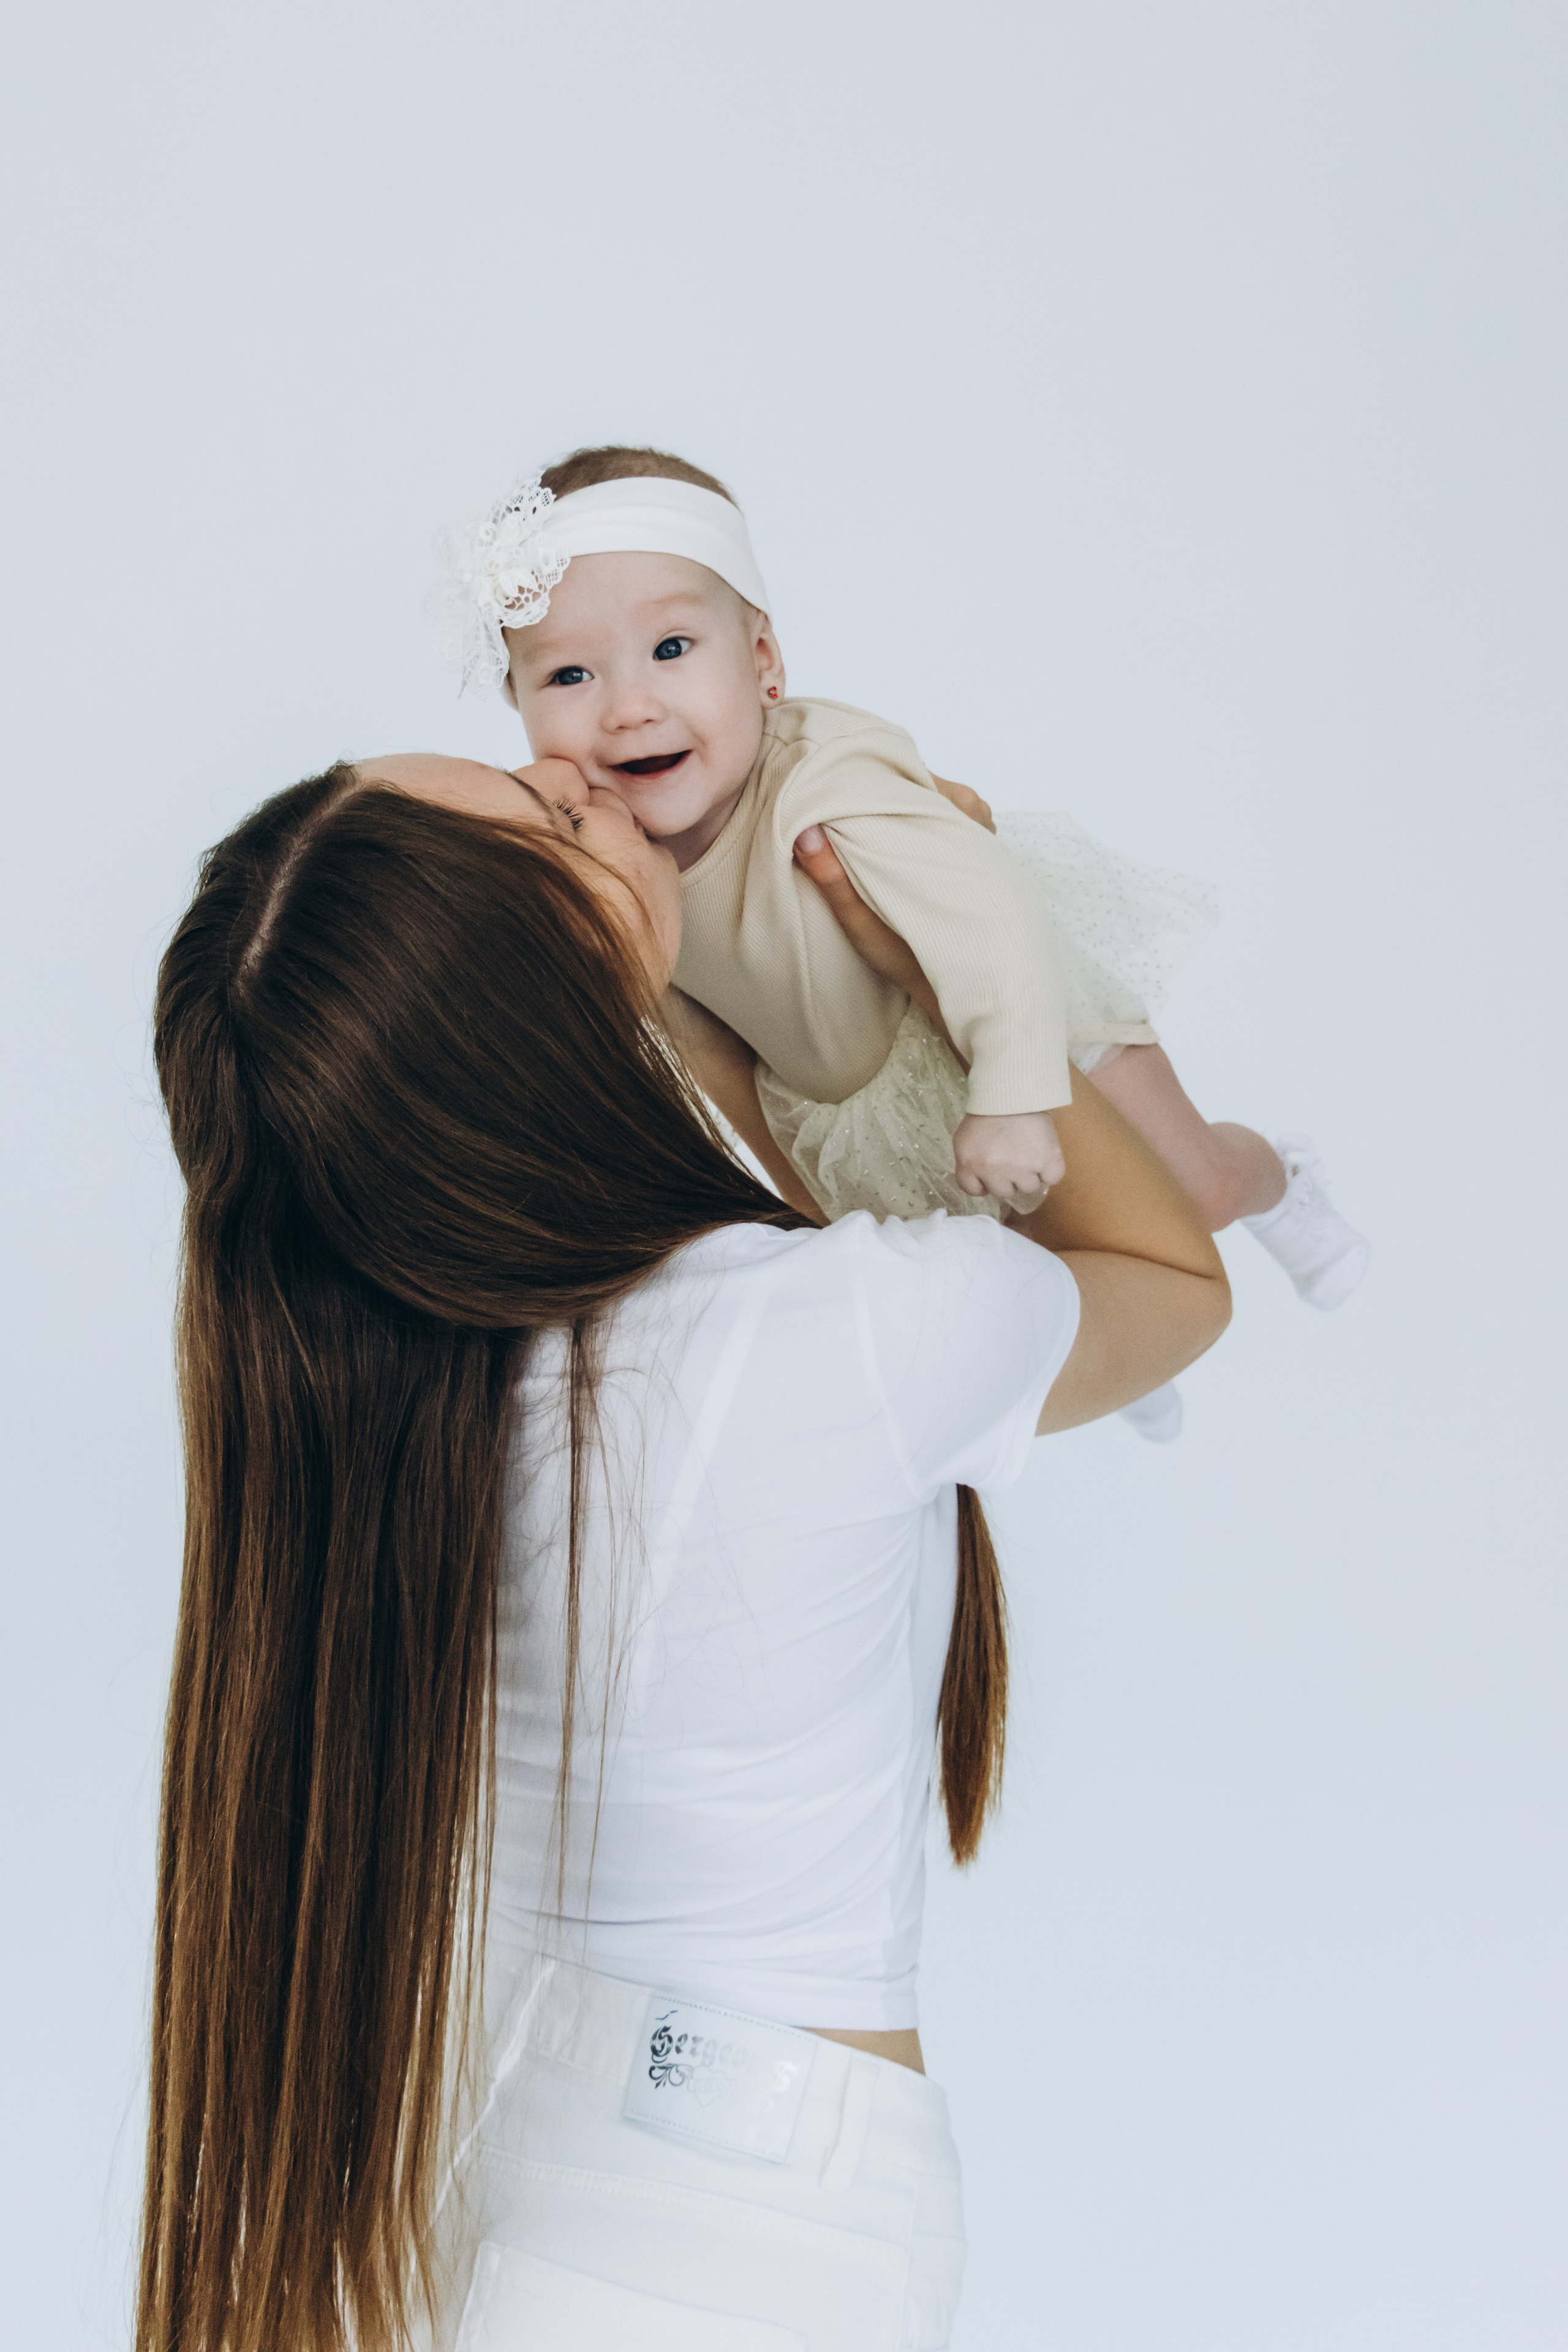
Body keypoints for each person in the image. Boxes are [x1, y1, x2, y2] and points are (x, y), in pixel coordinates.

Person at [139, 748, 1228, 2352]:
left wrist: (717, 1055)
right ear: (546, 990)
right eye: (559, 812)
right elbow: (1168, 1274)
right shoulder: (833, 1337)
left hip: (520, 2187)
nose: (578, 759)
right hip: (765, 2229)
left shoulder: (386, 1389)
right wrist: (973, 970)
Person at [437, 443, 1368, 1443]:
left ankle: (1275, 1174)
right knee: (1017, 1258)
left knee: (1190, 1189)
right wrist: (803, 1224)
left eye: (672, 649)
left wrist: (1014, 1097)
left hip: (1008, 1019)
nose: (628, 707)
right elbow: (725, 1066)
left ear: (762, 661)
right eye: (570, 674)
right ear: (518, 708)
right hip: (866, 1106)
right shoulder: (622, 876)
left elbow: (990, 915)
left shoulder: (826, 782)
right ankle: (1124, 1343)